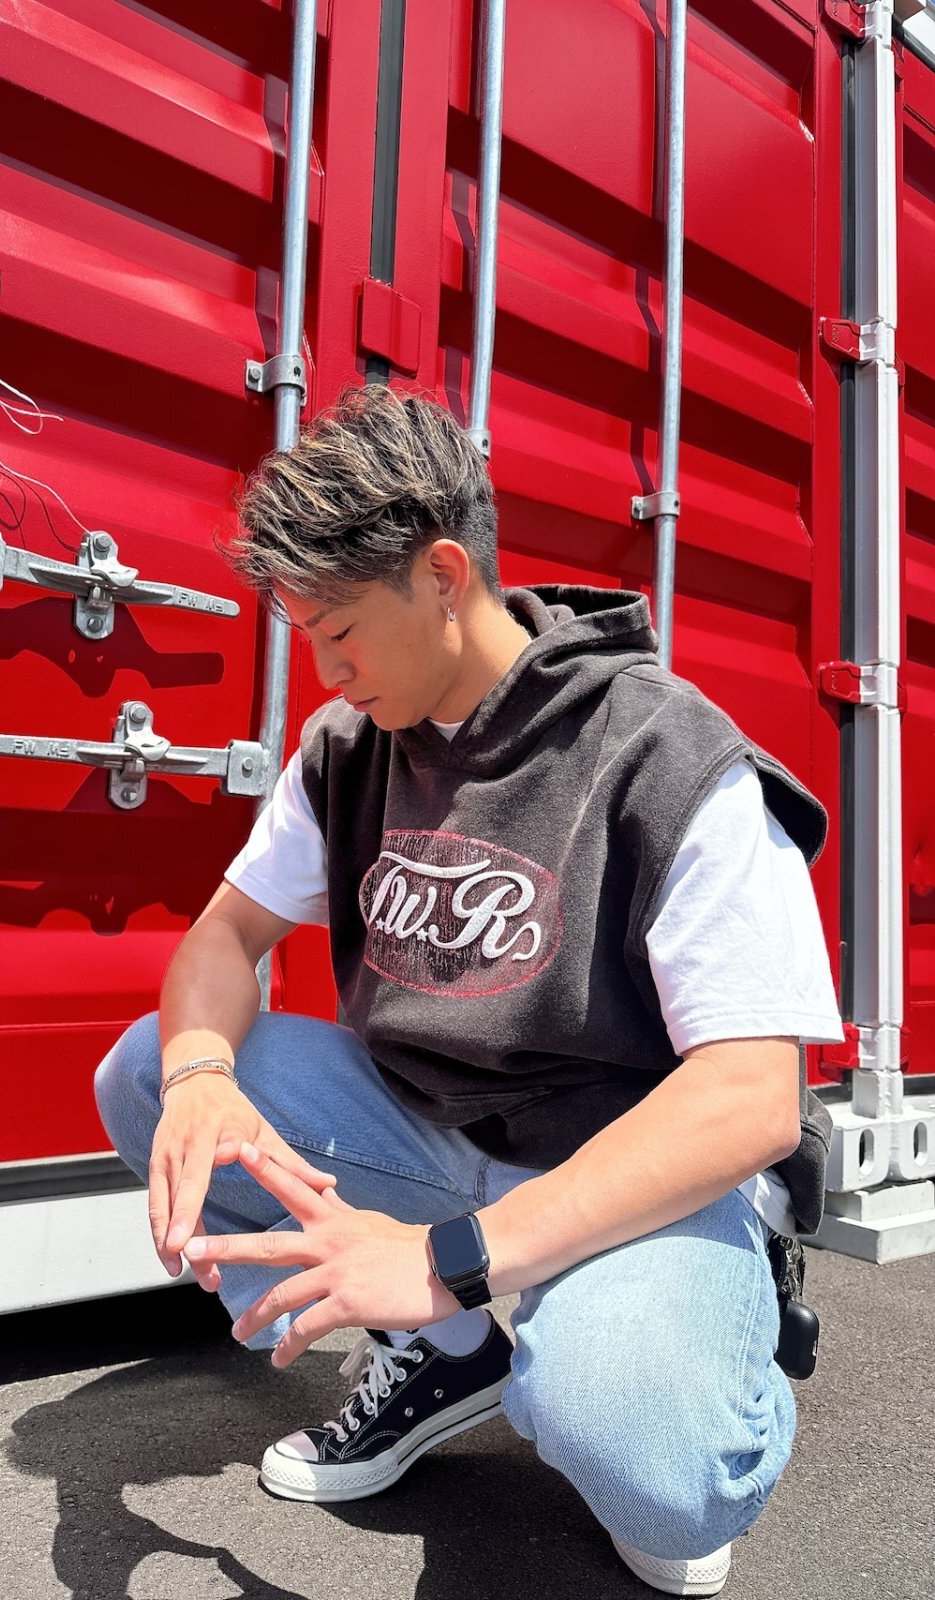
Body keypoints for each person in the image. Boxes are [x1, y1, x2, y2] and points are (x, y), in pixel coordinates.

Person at [94, 384, 844, 1597]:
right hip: (433, 1139)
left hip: (629, 1170)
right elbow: (222, 938)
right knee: (145, 1069)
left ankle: (702, 1327)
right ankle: (445, 1354)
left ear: (443, 577)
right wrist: (199, 1077)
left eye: (340, 629)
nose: (325, 670)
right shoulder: (346, 752)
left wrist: (451, 1256)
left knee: (663, 1478)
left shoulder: (663, 754)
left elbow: (751, 1097)